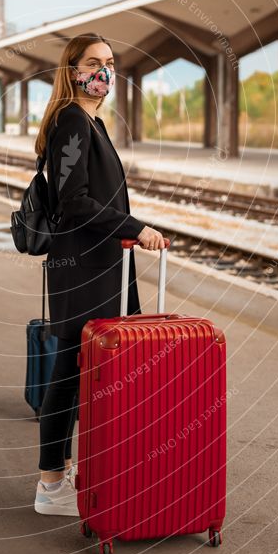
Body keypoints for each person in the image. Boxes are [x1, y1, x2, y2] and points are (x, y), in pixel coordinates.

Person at [32, 32, 166, 516]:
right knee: (68, 372)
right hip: (82, 269)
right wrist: (137, 227)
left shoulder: (92, 122)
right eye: (94, 62)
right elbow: (75, 203)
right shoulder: (71, 121)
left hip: (102, 266)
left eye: (110, 62)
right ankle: (50, 486)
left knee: (85, 371)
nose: (104, 71)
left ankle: (65, 472)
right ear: (72, 70)